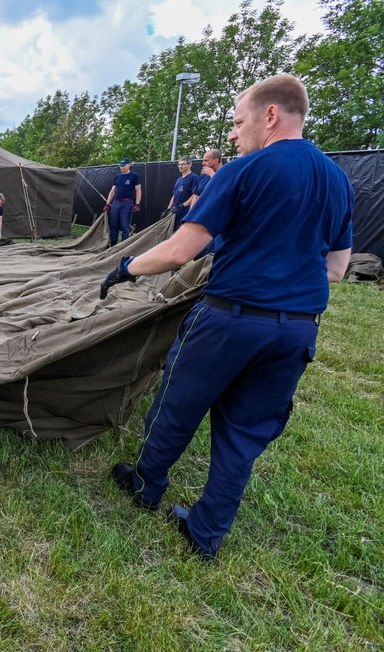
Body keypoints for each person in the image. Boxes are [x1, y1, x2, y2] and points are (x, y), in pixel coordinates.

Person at [101, 74, 353, 559]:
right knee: (245, 431)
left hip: (229, 319)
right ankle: (206, 532)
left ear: (270, 116)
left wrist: (126, 268)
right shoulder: (338, 179)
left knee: (178, 403)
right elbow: (337, 269)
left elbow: (180, 251)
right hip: (297, 329)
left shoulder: (243, 171)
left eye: (238, 123)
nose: (234, 135)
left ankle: (146, 484)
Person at [104, 158, 142, 246]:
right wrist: (108, 204)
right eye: (121, 166)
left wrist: (137, 204)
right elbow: (112, 191)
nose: (122, 168)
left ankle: (123, 247)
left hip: (127, 203)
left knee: (125, 225)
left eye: (124, 166)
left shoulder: (134, 176)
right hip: (116, 203)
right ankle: (113, 246)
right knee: (113, 225)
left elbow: (138, 190)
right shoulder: (117, 177)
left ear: (129, 165)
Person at [164, 155, 198, 231]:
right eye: (179, 164)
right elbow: (174, 195)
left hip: (185, 212)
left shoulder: (193, 177)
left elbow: (195, 195)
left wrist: (182, 205)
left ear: (190, 165)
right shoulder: (179, 179)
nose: (180, 166)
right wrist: (168, 208)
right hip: (175, 211)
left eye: (183, 164)